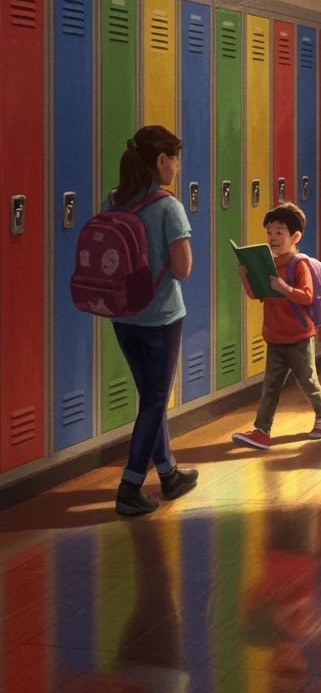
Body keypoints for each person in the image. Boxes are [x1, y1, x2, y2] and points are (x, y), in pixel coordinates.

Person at [105, 126, 197, 516]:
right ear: (161, 160)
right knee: (155, 400)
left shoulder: (114, 199)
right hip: (161, 318)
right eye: (175, 159)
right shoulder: (168, 207)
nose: (177, 166)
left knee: (150, 399)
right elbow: (183, 269)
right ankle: (129, 487)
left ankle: (169, 473)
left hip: (123, 315)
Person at [231, 203, 321, 449]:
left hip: (299, 337)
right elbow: (257, 294)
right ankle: (261, 430)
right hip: (275, 336)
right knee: (271, 386)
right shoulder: (268, 263)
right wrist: (245, 276)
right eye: (269, 232)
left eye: (279, 232)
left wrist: (284, 288)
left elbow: (306, 296)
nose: (273, 237)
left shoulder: (298, 265)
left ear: (295, 237)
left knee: (307, 381)